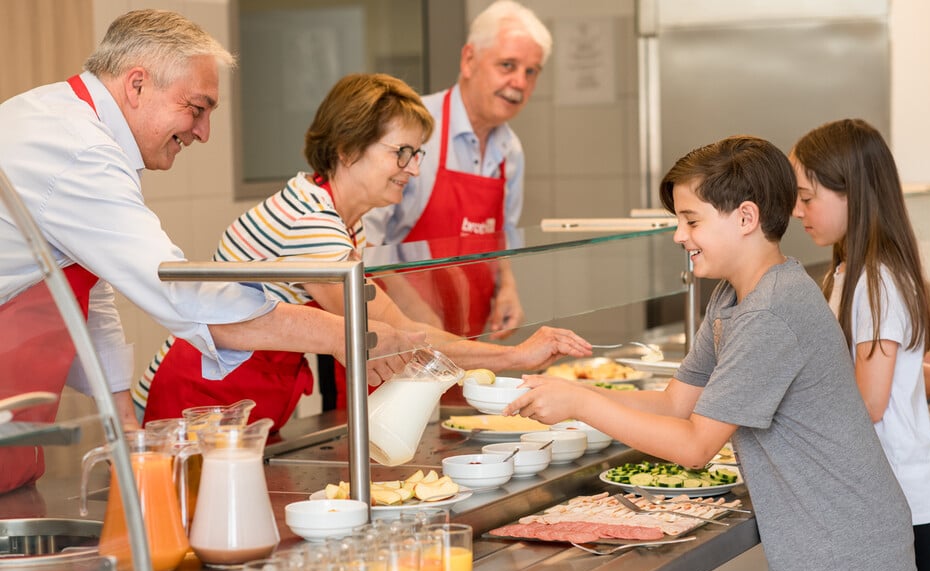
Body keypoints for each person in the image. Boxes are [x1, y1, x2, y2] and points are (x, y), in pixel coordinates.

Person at [505, 136, 917, 571]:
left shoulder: (773, 311)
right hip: (814, 556)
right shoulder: (731, 296)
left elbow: (695, 445)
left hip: (848, 557)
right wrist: (576, 394)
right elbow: (676, 402)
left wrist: (580, 405)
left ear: (746, 218)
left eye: (691, 220)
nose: (679, 235)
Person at [0, 10, 419, 494]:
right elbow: (185, 294)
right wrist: (347, 335)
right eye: (196, 108)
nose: (203, 132)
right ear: (137, 85)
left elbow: (91, 296)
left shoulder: (65, 122)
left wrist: (125, 430)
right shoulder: (80, 152)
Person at [135, 73, 590, 428]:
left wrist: (467, 359)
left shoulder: (335, 216)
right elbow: (391, 336)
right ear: (349, 147)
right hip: (197, 398)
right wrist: (512, 357)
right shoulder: (310, 225)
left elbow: (410, 327)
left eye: (419, 154)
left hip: (242, 396)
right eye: (402, 152)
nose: (413, 169)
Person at [790, 118, 930, 571]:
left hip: (900, 497)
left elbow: (869, 403)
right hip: (891, 492)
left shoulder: (875, 280)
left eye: (808, 198)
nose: (797, 211)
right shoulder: (848, 272)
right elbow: (895, 381)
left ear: (851, 194)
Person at [362, 0, 552, 340]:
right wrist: (415, 316)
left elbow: (501, 237)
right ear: (468, 60)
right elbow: (362, 242)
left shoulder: (511, 150)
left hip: (466, 336)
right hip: (392, 337)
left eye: (531, 71)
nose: (519, 82)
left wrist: (507, 289)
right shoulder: (413, 128)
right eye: (507, 65)